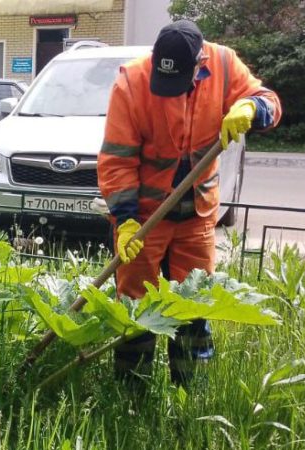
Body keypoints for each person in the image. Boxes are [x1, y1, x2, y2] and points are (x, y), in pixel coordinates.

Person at [97, 20, 281, 385]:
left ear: (200, 64)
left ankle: (189, 393)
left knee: (195, 305)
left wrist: (250, 108)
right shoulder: (132, 82)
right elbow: (117, 160)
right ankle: (131, 394)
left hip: (196, 214)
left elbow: (271, 104)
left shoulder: (226, 64)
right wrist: (126, 219)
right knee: (137, 306)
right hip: (144, 218)